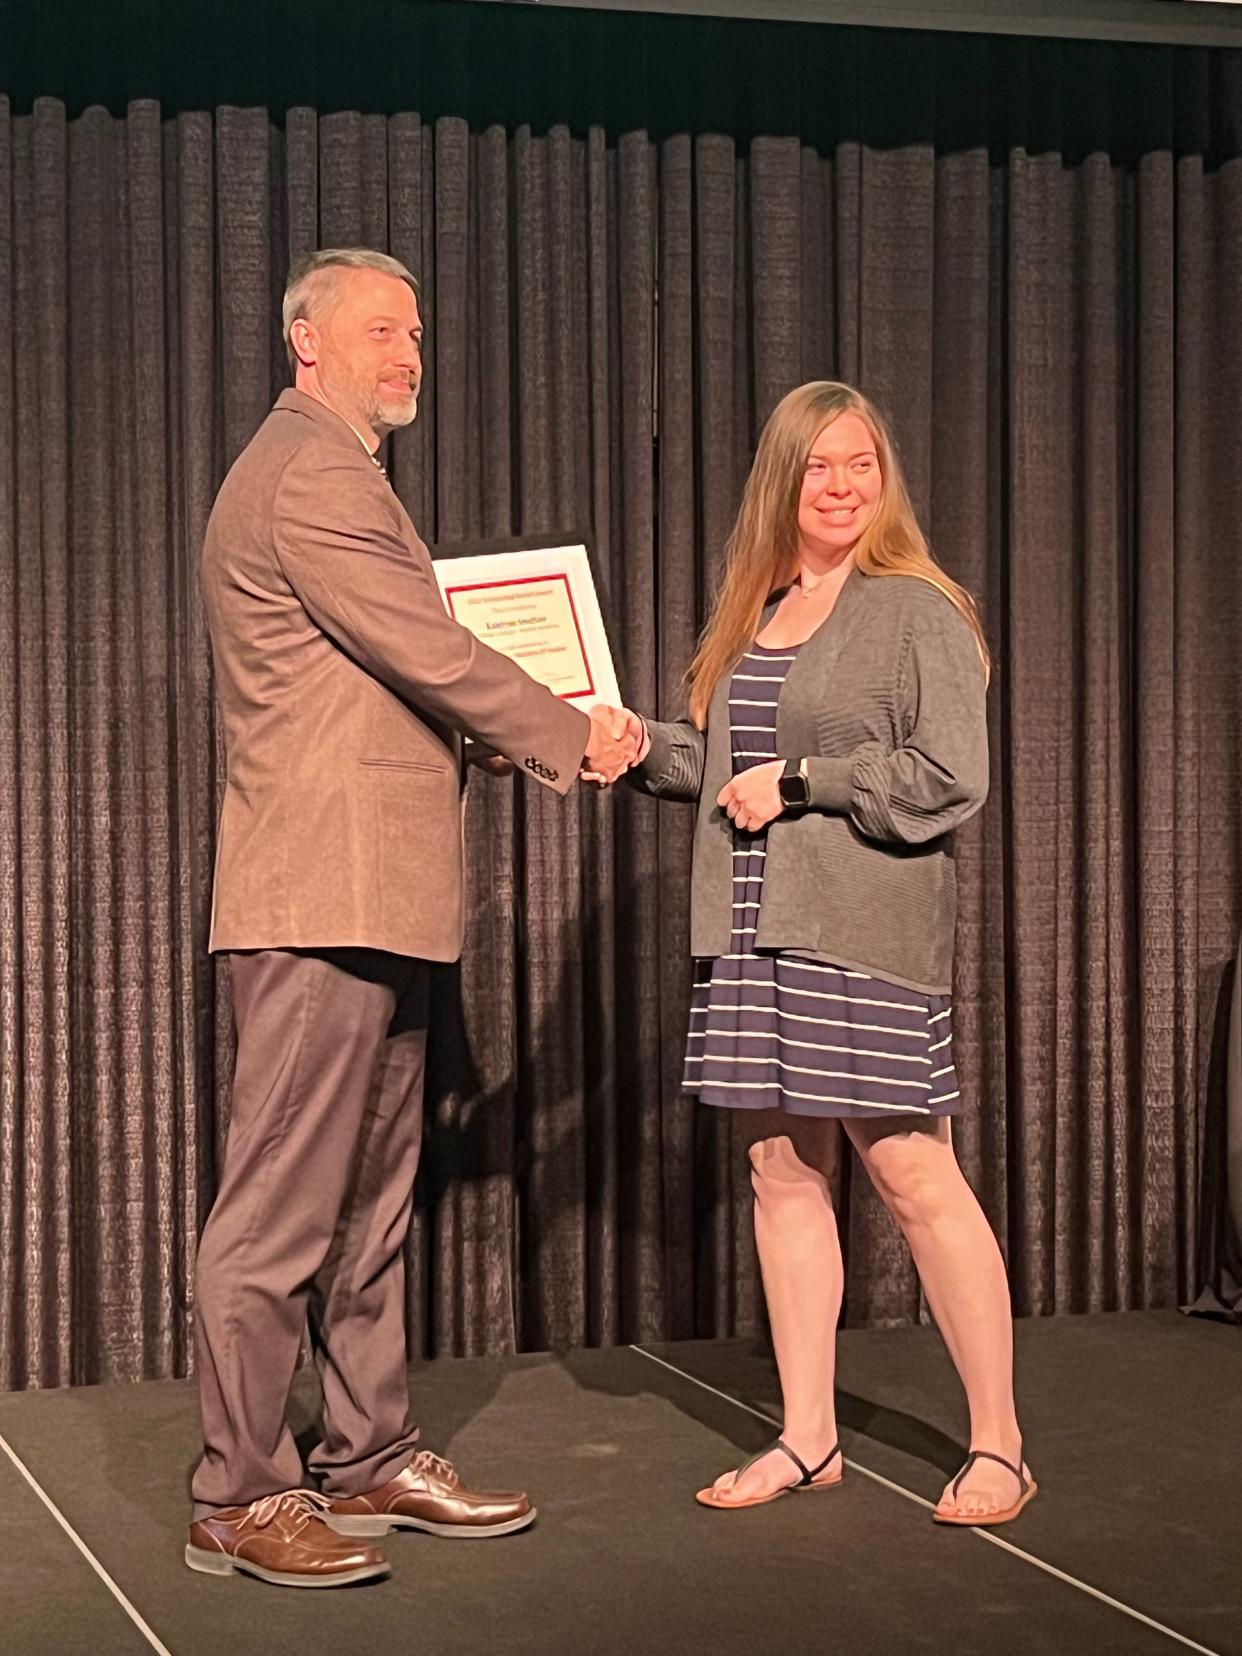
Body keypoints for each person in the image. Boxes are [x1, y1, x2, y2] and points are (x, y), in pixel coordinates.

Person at [189, 247, 637, 1588]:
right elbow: (428, 652)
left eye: (420, 331)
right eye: (382, 329)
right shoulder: (311, 471)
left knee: (372, 1206)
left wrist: (499, 741)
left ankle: (366, 1454)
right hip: (317, 893)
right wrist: (567, 732)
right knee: (276, 1216)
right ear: (304, 343)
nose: (410, 352)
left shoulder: (347, 476)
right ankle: (239, 1494)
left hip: (377, 893)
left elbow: (389, 688)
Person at [610, 380, 1035, 1525]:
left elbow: (953, 778)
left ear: (883, 479)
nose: (841, 485)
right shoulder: (758, 608)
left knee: (910, 1174)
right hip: (748, 931)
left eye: (860, 464)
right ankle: (809, 1439)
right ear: (782, 483)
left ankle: (999, 1444)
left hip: (864, 932)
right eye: (818, 467)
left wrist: (807, 783)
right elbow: (718, 766)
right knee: (780, 1174)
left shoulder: (918, 610)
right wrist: (634, 742)